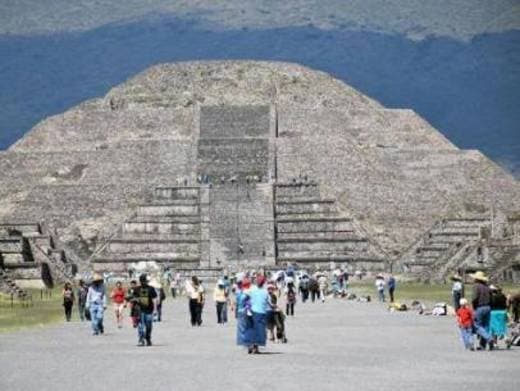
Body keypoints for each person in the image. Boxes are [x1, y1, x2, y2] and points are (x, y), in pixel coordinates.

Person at [130, 274, 158, 346]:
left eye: (145, 281)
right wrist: (135, 300)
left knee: (148, 326)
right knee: (140, 326)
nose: (144, 282)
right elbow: (133, 298)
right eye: (142, 281)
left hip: (149, 310)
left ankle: (148, 338)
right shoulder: (137, 289)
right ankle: (141, 339)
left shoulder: (151, 288)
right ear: (140, 281)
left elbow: (154, 299)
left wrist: (155, 309)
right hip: (140, 310)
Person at [470, 271, 494, 350]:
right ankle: (482, 345)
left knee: (477, 325)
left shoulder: (476, 286)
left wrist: (473, 307)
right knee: (486, 326)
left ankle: (489, 338)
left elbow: (474, 298)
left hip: (480, 307)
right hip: (488, 307)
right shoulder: (487, 287)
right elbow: (491, 298)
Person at [248, 275, 269, 354]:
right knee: (259, 330)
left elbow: (247, 298)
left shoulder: (252, 289)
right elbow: (267, 301)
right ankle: (255, 347)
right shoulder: (265, 291)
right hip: (261, 312)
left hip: (252, 311)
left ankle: (251, 345)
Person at [236, 278, 254, 352]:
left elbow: (238, 301)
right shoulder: (248, 292)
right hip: (246, 311)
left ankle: (244, 342)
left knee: (242, 327)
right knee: (247, 327)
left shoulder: (241, 292)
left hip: (242, 311)